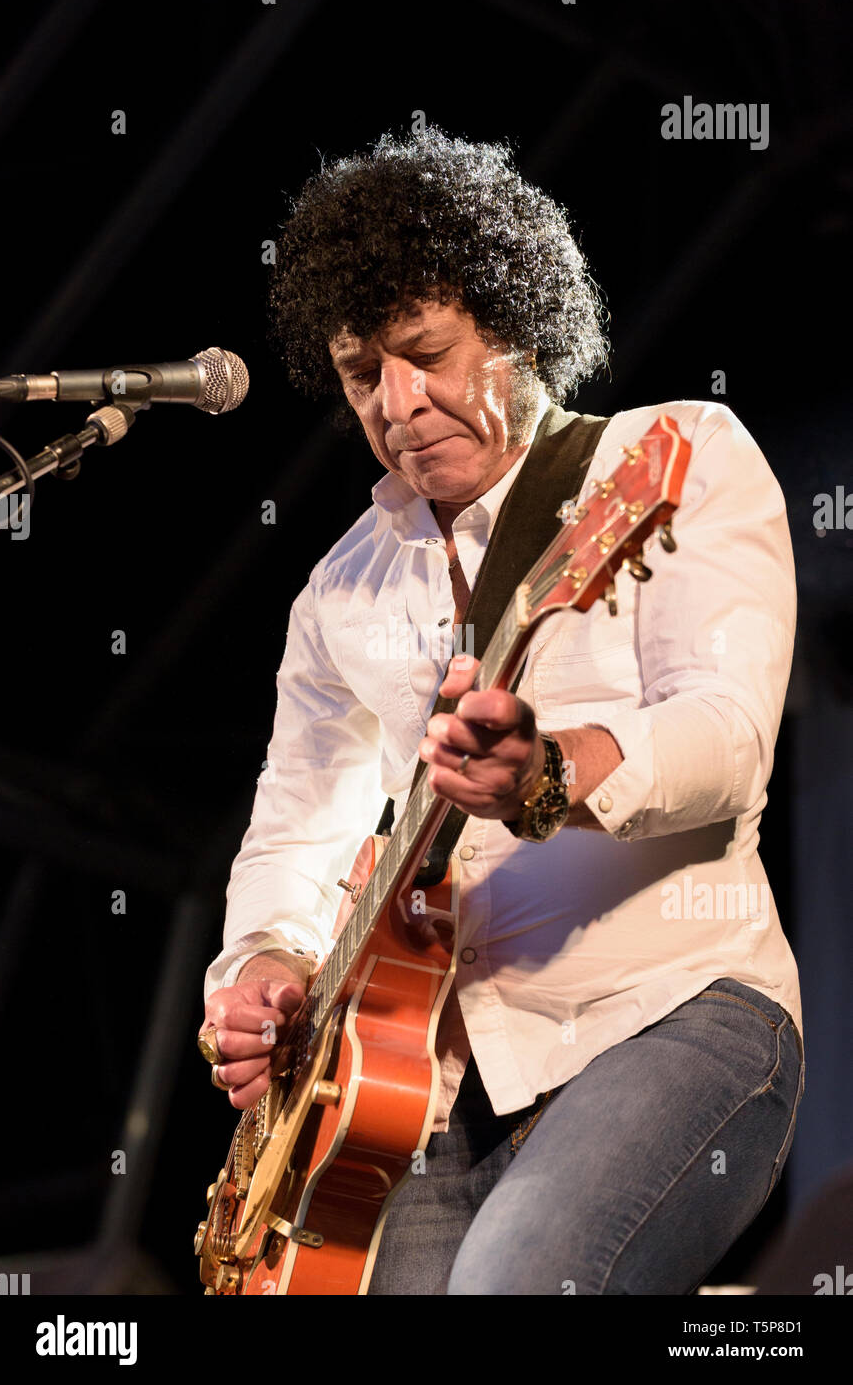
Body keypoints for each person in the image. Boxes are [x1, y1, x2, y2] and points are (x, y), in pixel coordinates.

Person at [198, 129, 804, 1295]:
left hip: (670, 1016)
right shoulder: (338, 590)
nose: (398, 400)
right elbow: (293, 837)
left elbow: (728, 737)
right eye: (361, 371)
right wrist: (266, 963)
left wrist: (553, 767)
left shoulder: (671, 456)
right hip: (420, 1096)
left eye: (426, 352)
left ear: (519, 328)